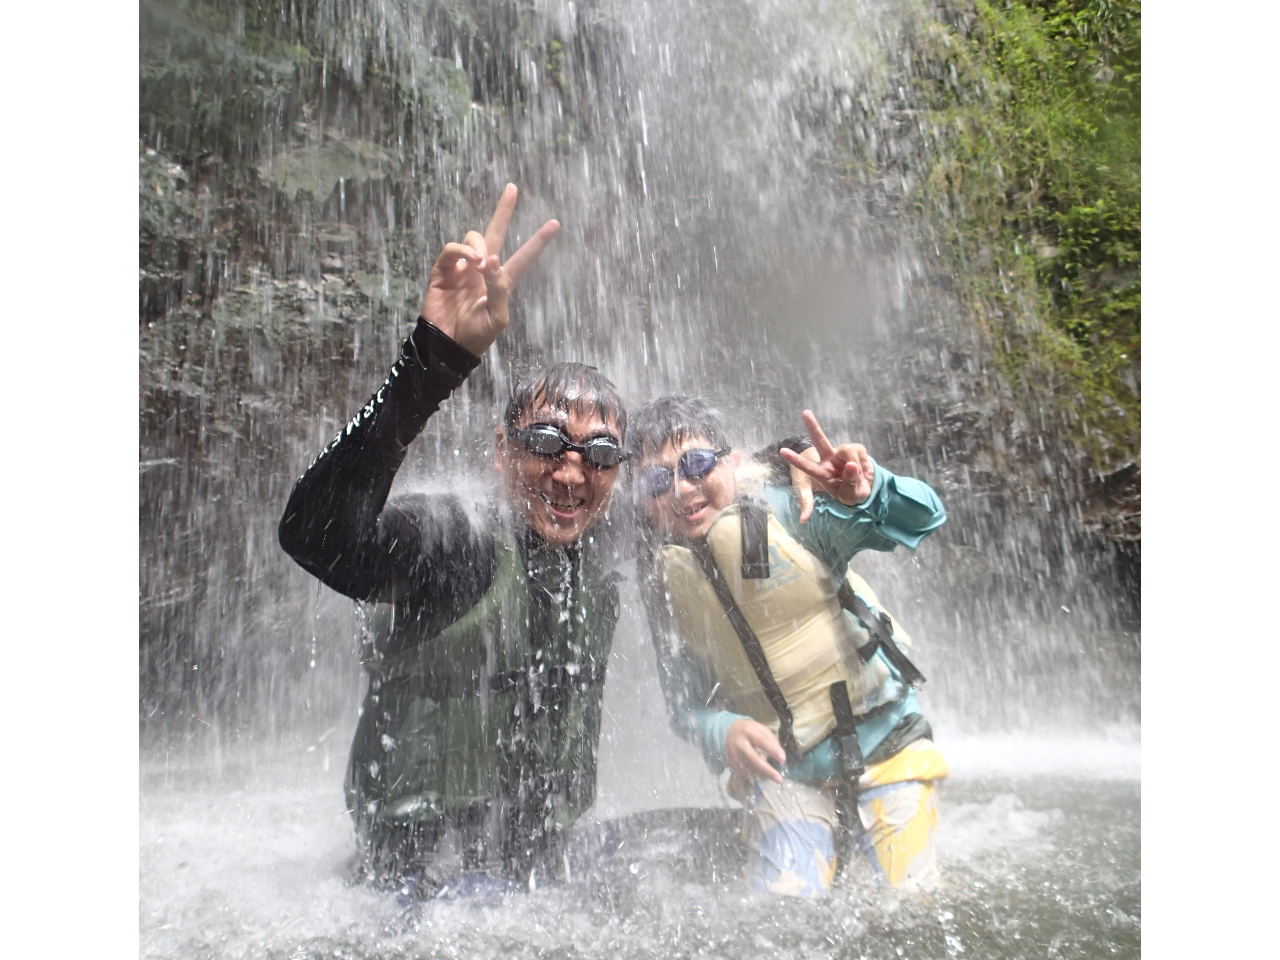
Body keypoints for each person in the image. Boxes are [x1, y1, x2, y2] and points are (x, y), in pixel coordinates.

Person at [278, 185, 629, 892]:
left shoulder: (604, 552)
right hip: (422, 883)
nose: (570, 470)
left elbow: (710, 498)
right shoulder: (454, 541)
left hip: (534, 875)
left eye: (598, 453)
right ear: (501, 451)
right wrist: (430, 360)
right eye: (546, 441)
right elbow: (316, 537)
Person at [631, 397, 950, 898]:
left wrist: (870, 491)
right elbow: (682, 703)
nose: (682, 488)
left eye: (697, 464)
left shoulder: (793, 508)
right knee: (782, 912)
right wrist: (723, 729)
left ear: (732, 463)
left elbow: (924, 518)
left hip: (885, 747)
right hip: (788, 774)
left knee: (908, 905)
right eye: (656, 481)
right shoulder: (661, 576)